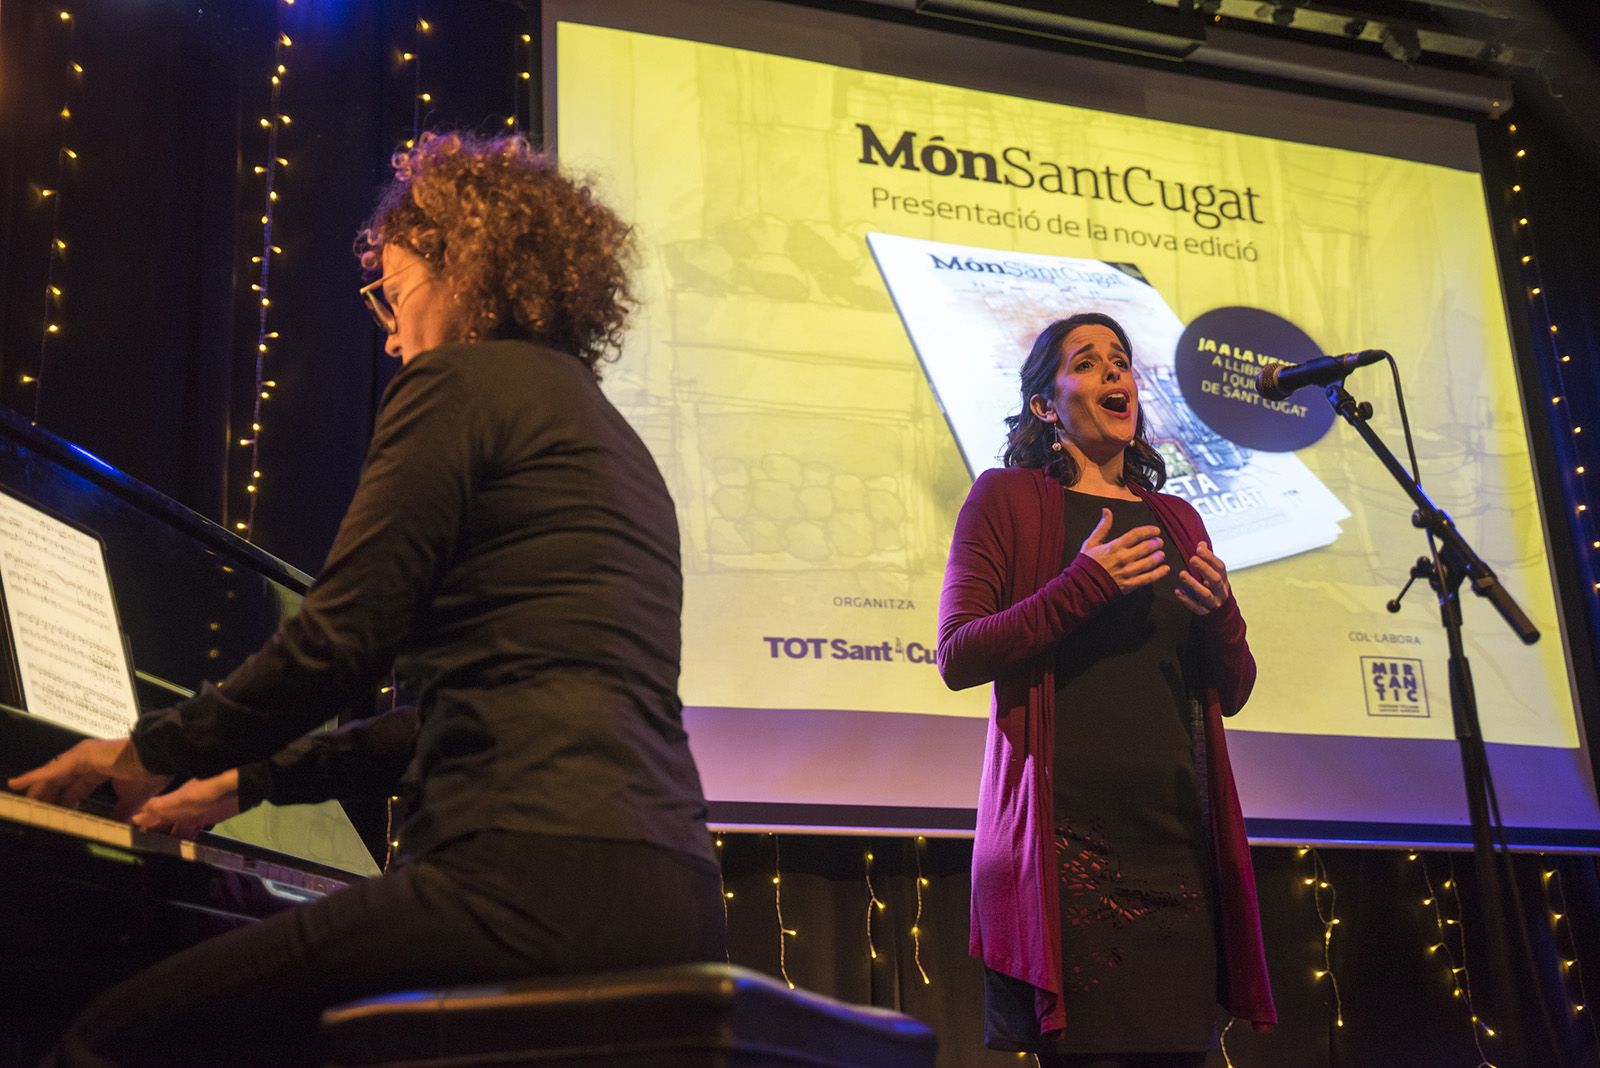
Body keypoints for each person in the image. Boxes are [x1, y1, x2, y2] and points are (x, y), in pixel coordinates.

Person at [7, 131, 726, 1066]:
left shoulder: (458, 384)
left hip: (516, 881)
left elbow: (338, 643)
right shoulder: (617, 445)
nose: (389, 331)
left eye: (392, 290)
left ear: (463, 264)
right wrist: (246, 782)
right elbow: (436, 723)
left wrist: (148, 750)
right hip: (672, 899)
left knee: (110, 1040)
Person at [936, 313, 1276, 1067]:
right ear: (1045, 405)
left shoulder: (1177, 518)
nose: (1114, 372)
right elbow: (958, 653)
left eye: (1120, 360)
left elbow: (1235, 688)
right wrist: (1082, 586)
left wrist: (1222, 615)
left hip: (1176, 846)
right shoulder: (1006, 498)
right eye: (1087, 362)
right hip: (1065, 850)